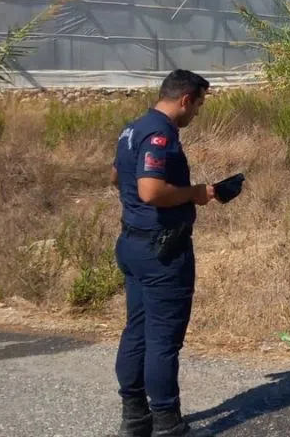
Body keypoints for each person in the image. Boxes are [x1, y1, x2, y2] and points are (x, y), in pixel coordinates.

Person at [113, 70, 242, 437]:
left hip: (133, 243)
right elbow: (151, 191)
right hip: (162, 250)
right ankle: (168, 423)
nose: (198, 113)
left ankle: (135, 417)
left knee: (136, 331)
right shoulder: (160, 134)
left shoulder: (131, 130)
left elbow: (116, 176)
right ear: (185, 100)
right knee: (163, 339)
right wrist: (194, 192)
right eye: (199, 104)